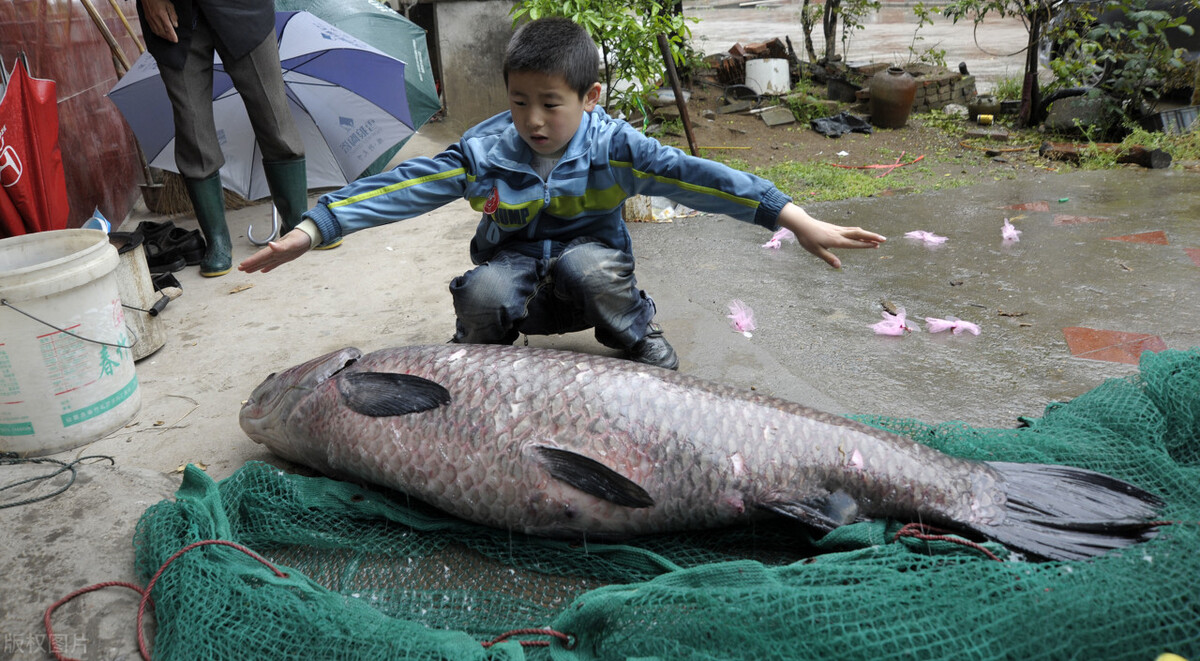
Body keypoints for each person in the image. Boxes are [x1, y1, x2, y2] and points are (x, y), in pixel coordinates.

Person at [239, 17, 885, 369]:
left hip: (589, 281)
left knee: (590, 265)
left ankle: (635, 333)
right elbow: (404, 186)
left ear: (590, 97)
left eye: (551, 103)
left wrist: (793, 217)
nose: (533, 120)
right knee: (483, 290)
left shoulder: (617, 149)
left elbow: (703, 177)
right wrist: (316, 227)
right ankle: (484, 355)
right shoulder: (485, 153)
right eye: (519, 101)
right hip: (518, 281)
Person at [136, 0, 309, 276]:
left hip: (243, 7)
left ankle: (298, 223)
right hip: (175, 13)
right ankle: (217, 240)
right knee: (192, 126)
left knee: (273, 113)